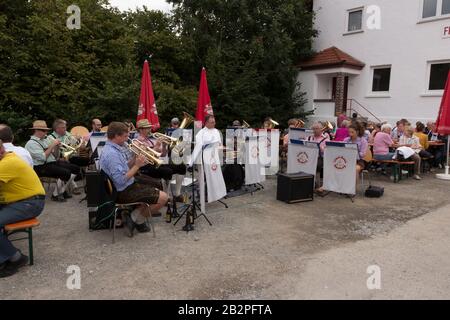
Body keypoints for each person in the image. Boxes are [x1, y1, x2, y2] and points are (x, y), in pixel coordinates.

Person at [99, 122, 168, 237]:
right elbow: (121, 180)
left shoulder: (114, 149)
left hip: (126, 185)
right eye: (125, 136)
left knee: (156, 184)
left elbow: (125, 167)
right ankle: (135, 219)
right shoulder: (112, 154)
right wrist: (137, 166)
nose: (127, 140)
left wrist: (136, 158)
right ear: (116, 136)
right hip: (122, 191)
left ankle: (135, 217)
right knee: (164, 198)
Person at [0, 140, 45, 278]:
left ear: (1, 149)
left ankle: (16, 258)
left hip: (30, 203)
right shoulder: (7, 159)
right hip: (22, 201)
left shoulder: (6, 163)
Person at [25, 120, 80, 202]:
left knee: (75, 168)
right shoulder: (31, 143)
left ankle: (60, 191)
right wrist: (52, 145)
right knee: (65, 172)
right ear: (36, 131)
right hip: (40, 167)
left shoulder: (45, 140)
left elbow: (56, 156)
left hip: (52, 162)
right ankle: (56, 194)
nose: (46, 133)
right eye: (44, 131)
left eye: (46, 130)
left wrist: (57, 147)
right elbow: (43, 157)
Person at [136, 119, 186, 202]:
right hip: (145, 167)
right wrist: (157, 146)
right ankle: (166, 197)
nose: (149, 130)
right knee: (167, 171)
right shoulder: (138, 142)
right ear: (141, 130)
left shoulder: (150, 140)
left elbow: (162, 155)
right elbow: (146, 157)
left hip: (156, 164)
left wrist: (164, 146)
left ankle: (177, 194)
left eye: (149, 127)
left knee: (181, 167)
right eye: (147, 128)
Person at [343, 122, 369, 188]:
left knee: (355, 169)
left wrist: (355, 151)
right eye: (349, 132)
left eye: (352, 132)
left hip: (359, 161)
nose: (350, 134)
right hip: (347, 160)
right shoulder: (346, 140)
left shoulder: (363, 141)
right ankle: (338, 186)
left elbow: (363, 154)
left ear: (357, 132)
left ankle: (352, 189)